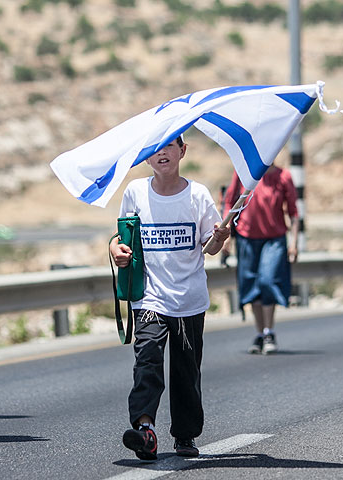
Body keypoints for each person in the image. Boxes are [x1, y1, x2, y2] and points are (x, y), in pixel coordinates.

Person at [109, 136, 230, 461]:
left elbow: (210, 246)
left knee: (186, 370)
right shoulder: (135, 192)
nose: (162, 153)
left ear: (182, 151)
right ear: (147, 156)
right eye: (155, 148)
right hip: (148, 297)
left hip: (189, 298)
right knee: (147, 360)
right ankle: (145, 429)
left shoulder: (199, 195)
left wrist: (220, 238)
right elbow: (121, 238)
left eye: (169, 146)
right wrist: (115, 250)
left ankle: (185, 433)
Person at [222, 164, 298, 355]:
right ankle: (260, 333)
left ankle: (269, 331)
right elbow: (230, 203)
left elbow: (293, 212)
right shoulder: (243, 171)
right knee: (251, 286)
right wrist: (226, 235)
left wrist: (294, 243)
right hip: (247, 237)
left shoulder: (284, 176)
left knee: (267, 280)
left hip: (274, 239)